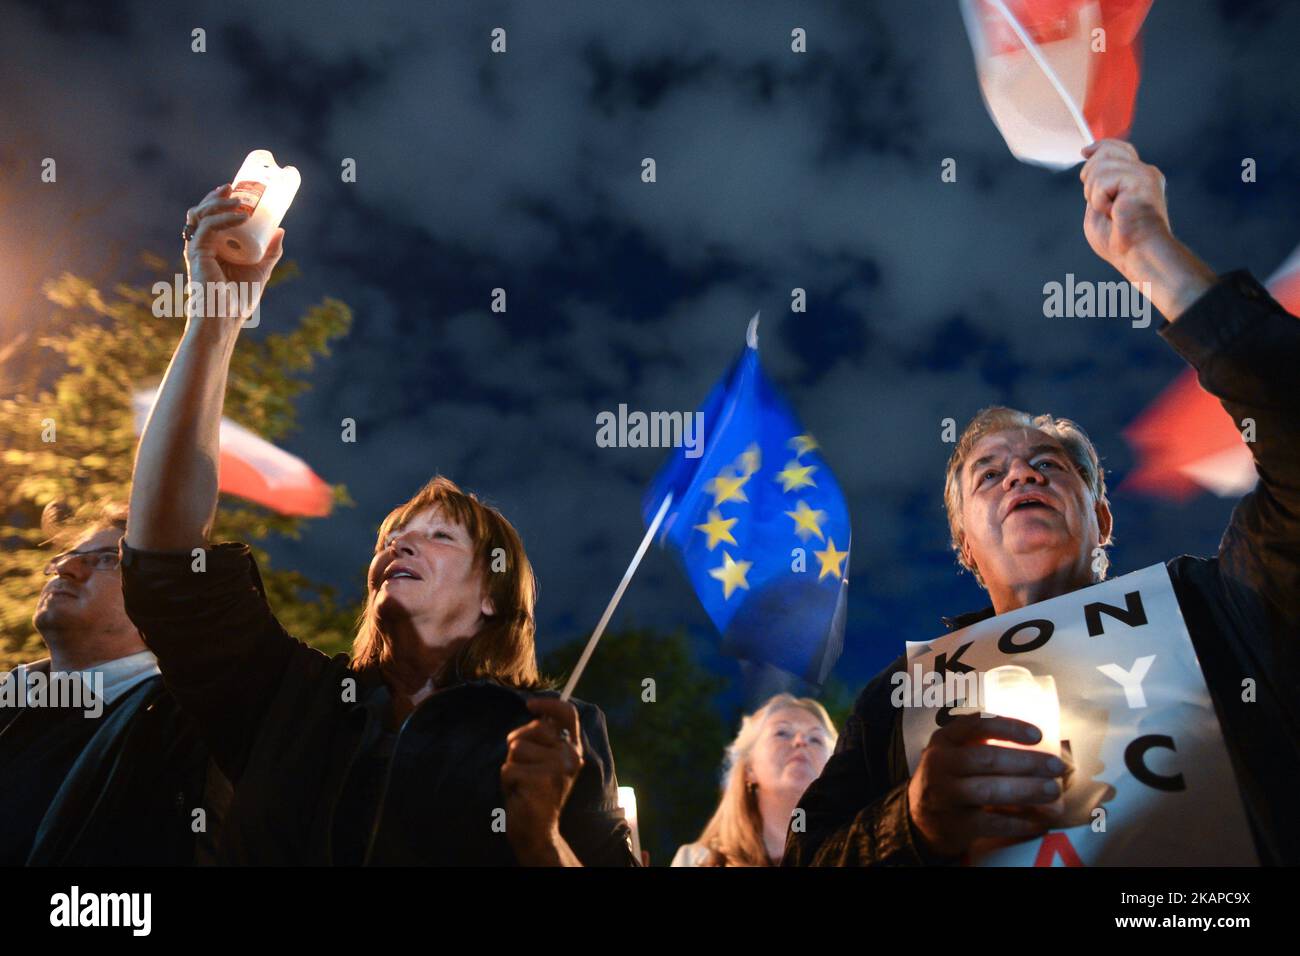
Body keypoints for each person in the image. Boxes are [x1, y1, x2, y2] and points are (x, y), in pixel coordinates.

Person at [784, 139, 1300, 867]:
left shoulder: (1217, 607)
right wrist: (912, 825)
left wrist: (1155, 256)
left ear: (1103, 520)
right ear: (964, 543)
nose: (1021, 478)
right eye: (989, 475)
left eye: (1048, 466)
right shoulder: (896, 699)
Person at [120, 184, 636, 866]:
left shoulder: (554, 736)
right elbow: (164, 568)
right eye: (393, 533)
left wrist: (541, 840)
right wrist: (214, 318)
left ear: (494, 594)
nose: (399, 542)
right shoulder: (290, 701)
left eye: (440, 536)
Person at [0, 502, 223, 865]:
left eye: (108, 559)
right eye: (64, 557)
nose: (66, 569)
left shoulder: (186, 730)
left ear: (167, 600)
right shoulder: (12, 694)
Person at [673, 694, 836, 866]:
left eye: (816, 739)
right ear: (749, 768)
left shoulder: (856, 854)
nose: (800, 741)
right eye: (782, 733)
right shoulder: (696, 860)